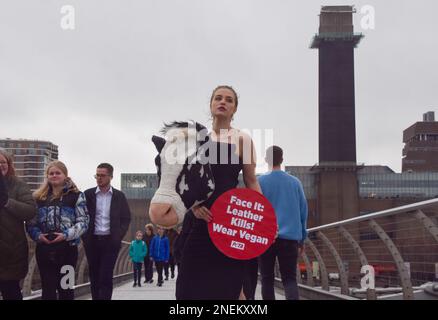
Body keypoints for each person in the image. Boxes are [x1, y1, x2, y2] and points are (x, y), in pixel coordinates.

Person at [176, 85, 262, 300]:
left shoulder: (243, 140)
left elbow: (252, 182)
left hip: (229, 224)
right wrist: (193, 206)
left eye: (229, 100)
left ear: (234, 109)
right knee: (188, 288)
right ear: (211, 104)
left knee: (229, 289)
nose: (223, 102)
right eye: (218, 98)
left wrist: (264, 217)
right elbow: (178, 179)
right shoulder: (194, 138)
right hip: (198, 221)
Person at [27, 160, 89, 300]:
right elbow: (31, 223)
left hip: (68, 248)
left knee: (66, 289)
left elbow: (84, 221)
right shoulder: (38, 198)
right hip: (44, 248)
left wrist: (66, 235)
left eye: (58, 173)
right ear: (47, 176)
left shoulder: (77, 196)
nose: (54, 175)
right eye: (51, 173)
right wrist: (38, 236)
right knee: (48, 290)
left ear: (65, 175)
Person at [258, 146, 308, 300]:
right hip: (290, 239)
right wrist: (302, 238)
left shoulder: (259, 182)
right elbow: (303, 211)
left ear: (266, 160)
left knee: (266, 278)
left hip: (266, 238)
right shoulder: (295, 183)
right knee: (290, 279)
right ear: (282, 159)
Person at [82, 163, 132, 300]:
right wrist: (85, 237)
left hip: (110, 243)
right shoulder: (88, 194)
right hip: (92, 242)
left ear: (111, 176)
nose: (99, 178)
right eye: (97, 175)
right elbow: (81, 216)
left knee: (105, 276)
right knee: (94, 276)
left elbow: (126, 218)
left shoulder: (119, 196)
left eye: (102, 175)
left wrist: (118, 236)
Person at [0, 149, 37, 300]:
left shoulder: (18, 185)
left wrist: (7, 202)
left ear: (9, 164)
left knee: (11, 291)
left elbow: (30, 211)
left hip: (11, 251)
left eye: (2, 162)